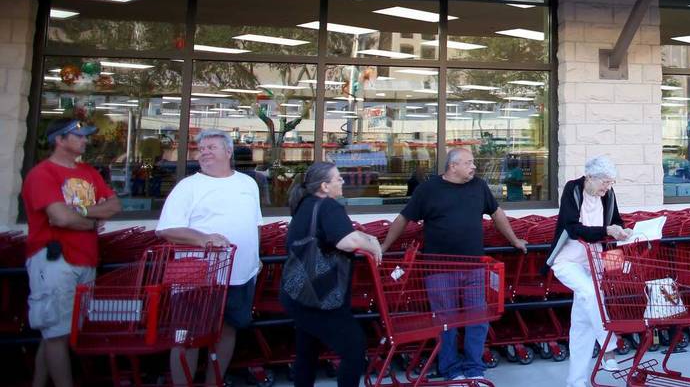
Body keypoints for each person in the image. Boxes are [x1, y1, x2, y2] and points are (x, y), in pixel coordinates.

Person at [380, 147, 528, 380]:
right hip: (439, 268)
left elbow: (497, 214)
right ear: (453, 166)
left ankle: (474, 369)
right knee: (445, 322)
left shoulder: (479, 186)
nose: (474, 166)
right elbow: (404, 218)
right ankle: (450, 370)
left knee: (478, 318)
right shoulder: (429, 189)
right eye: (468, 163)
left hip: (474, 266)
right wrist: (384, 247)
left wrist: (515, 240)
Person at [156, 130, 262, 386]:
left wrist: (256, 256)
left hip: (240, 275)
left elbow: (256, 223)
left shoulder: (248, 184)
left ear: (228, 152)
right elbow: (166, 229)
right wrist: (204, 239)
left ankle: (214, 383)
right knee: (188, 337)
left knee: (228, 330)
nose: (204, 152)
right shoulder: (187, 187)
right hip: (197, 277)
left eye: (211, 147)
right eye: (201, 148)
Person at [22, 119, 121, 387]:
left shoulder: (88, 172)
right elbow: (59, 218)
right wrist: (92, 223)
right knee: (56, 332)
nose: (85, 140)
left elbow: (114, 205)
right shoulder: (42, 174)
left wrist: (81, 211)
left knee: (57, 333)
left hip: (85, 257)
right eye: (79, 136)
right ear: (59, 139)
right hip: (54, 260)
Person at [281, 162, 382, 387]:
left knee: (307, 350)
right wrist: (373, 244)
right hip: (322, 294)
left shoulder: (305, 204)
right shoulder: (329, 206)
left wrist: (364, 237)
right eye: (338, 178)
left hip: (298, 293)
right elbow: (346, 241)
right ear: (324, 186)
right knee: (354, 348)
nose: (342, 181)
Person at [545, 156, 631, 387]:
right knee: (592, 293)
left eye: (611, 182)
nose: (608, 187)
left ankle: (576, 381)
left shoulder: (608, 195)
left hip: (593, 262)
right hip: (567, 261)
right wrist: (607, 230)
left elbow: (616, 221)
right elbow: (573, 228)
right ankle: (609, 348)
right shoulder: (573, 189)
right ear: (590, 177)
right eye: (605, 182)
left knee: (582, 325)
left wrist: (623, 231)